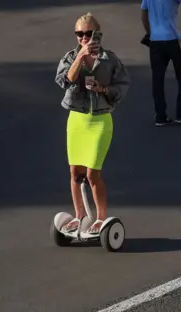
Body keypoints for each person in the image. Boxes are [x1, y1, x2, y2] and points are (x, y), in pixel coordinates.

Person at [54, 12, 130, 235]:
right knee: (75, 173)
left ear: (98, 34)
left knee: (92, 174)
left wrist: (103, 89)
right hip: (77, 120)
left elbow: (123, 86)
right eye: (80, 34)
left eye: (88, 33)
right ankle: (79, 216)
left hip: (99, 121)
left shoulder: (110, 60)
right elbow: (64, 81)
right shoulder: (70, 58)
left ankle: (101, 217)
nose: (84, 38)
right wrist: (80, 57)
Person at [141, 0, 181, 127]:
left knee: (157, 79)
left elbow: (144, 14)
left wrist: (149, 33)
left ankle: (160, 115)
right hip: (173, 39)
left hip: (155, 41)